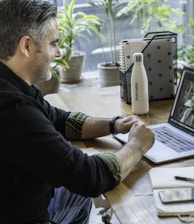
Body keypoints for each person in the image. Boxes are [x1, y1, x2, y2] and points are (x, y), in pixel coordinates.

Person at [0, 0, 155, 223]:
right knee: (87, 188)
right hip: (22, 216)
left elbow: (59, 119)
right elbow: (90, 177)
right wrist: (137, 145)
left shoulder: (15, 84)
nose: (59, 51)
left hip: (18, 201)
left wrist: (113, 124)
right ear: (26, 46)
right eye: (53, 43)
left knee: (77, 195)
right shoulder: (13, 110)